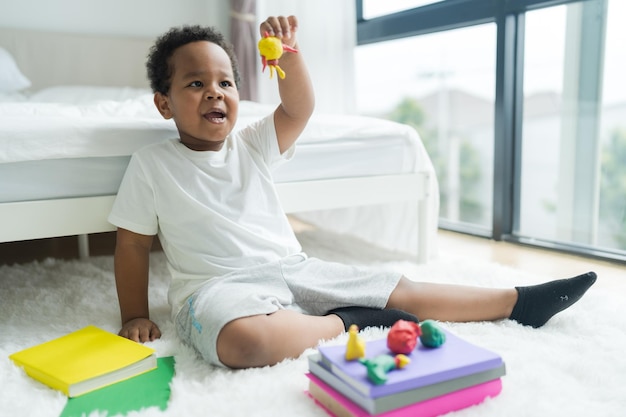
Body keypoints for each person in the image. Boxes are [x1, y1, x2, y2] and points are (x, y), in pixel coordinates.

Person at [108, 16, 597, 369]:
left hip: (293, 268)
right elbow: (131, 244)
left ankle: (517, 302)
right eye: (196, 83)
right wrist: (135, 314)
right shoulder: (152, 165)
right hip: (215, 288)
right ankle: (353, 322)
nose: (216, 92)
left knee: (400, 287)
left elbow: (298, 109)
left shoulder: (252, 143)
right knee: (245, 344)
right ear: (164, 104)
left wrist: (290, 55)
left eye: (226, 82)